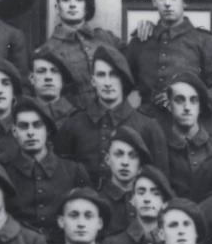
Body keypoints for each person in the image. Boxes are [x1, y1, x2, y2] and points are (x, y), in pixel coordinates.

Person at [56, 44, 169, 183]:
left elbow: (160, 182)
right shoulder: (74, 126)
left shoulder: (148, 127)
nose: (108, 83)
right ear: (93, 81)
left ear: (123, 79)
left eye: (113, 75)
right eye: (101, 75)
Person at [127, 0, 212, 115]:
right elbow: (119, 84)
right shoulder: (141, 40)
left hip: (189, 131)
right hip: (147, 131)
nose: (167, 3)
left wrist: (186, 99)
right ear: (154, 1)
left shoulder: (205, 41)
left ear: (185, 2)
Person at [5, 98, 90, 244]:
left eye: (37, 125)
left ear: (48, 130)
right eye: (24, 127)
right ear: (14, 131)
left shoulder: (73, 171)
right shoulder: (5, 174)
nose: (31, 133)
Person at [41, 0, 121, 105]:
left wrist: (145, 28)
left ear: (87, 6)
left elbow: (136, 64)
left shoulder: (106, 38)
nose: (72, 4)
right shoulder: (48, 50)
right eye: (66, 0)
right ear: (57, 8)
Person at [158, 73, 212, 201]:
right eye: (179, 100)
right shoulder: (159, 148)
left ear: (200, 107)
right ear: (169, 105)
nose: (187, 107)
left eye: (193, 100)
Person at [103, 165, 173, 244]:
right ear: (132, 200)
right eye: (141, 192)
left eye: (155, 194)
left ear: (164, 203)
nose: (147, 199)